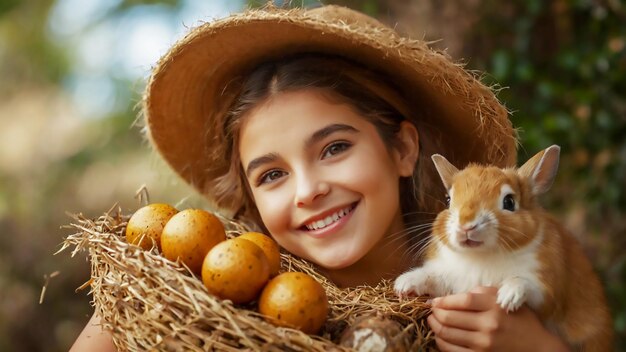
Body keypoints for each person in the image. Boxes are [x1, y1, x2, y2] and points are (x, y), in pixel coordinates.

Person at [71, 4, 572, 351]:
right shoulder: (194, 297)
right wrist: (132, 311)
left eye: (334, 148)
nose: (308, 190)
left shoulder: (491, 297)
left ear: (402, 148)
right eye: (271, 175)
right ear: (250, 197)